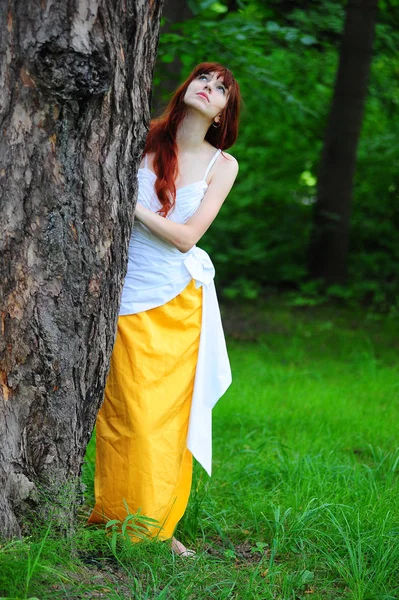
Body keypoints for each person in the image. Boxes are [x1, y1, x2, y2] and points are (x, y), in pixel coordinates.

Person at [88, 62, 241, 556]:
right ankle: (117, 519)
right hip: (123, 290)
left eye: (221, 89)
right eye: (204, 79)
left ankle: (158, 528)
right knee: (127, 414)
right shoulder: (141, 136)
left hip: (178, 302)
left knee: (167, 418)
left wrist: (127, 203)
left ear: (223, 112)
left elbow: (187, 238)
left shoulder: (224, 165)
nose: (209, 89)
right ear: (188, 88)